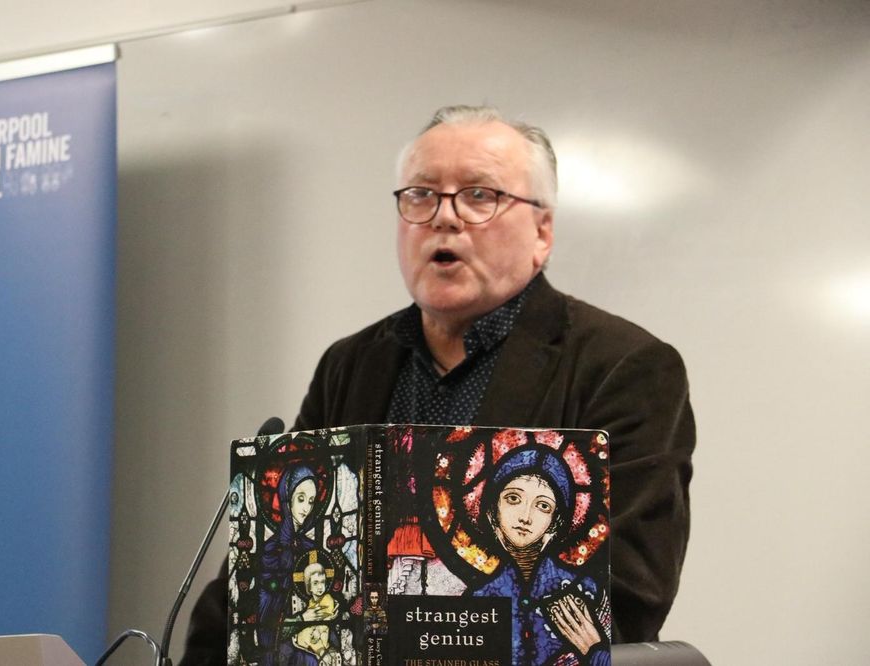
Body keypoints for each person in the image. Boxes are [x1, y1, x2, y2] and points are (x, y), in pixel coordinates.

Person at [180, 104, 695, 665]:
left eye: (479, 195)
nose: (444, 218)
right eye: (421, 195)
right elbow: (268, 564)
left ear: (542, 231)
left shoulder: (625, 367)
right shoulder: (352, 363)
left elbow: (625, 596)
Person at [471, 446, 609, 665]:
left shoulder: (587, 592)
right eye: (513, 498)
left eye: (543, 506)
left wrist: (595, 653)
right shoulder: (477, 598)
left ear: (555, 523)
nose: (525, 517)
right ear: (492, 509)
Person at [256, 465, 320, 666]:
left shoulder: (310, 549)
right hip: (277, 652)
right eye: (301, 499)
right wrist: (301, 619)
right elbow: (266, 613)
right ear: (286, 499)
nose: (306, 508)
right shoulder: (271, 551)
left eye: (311, 501)